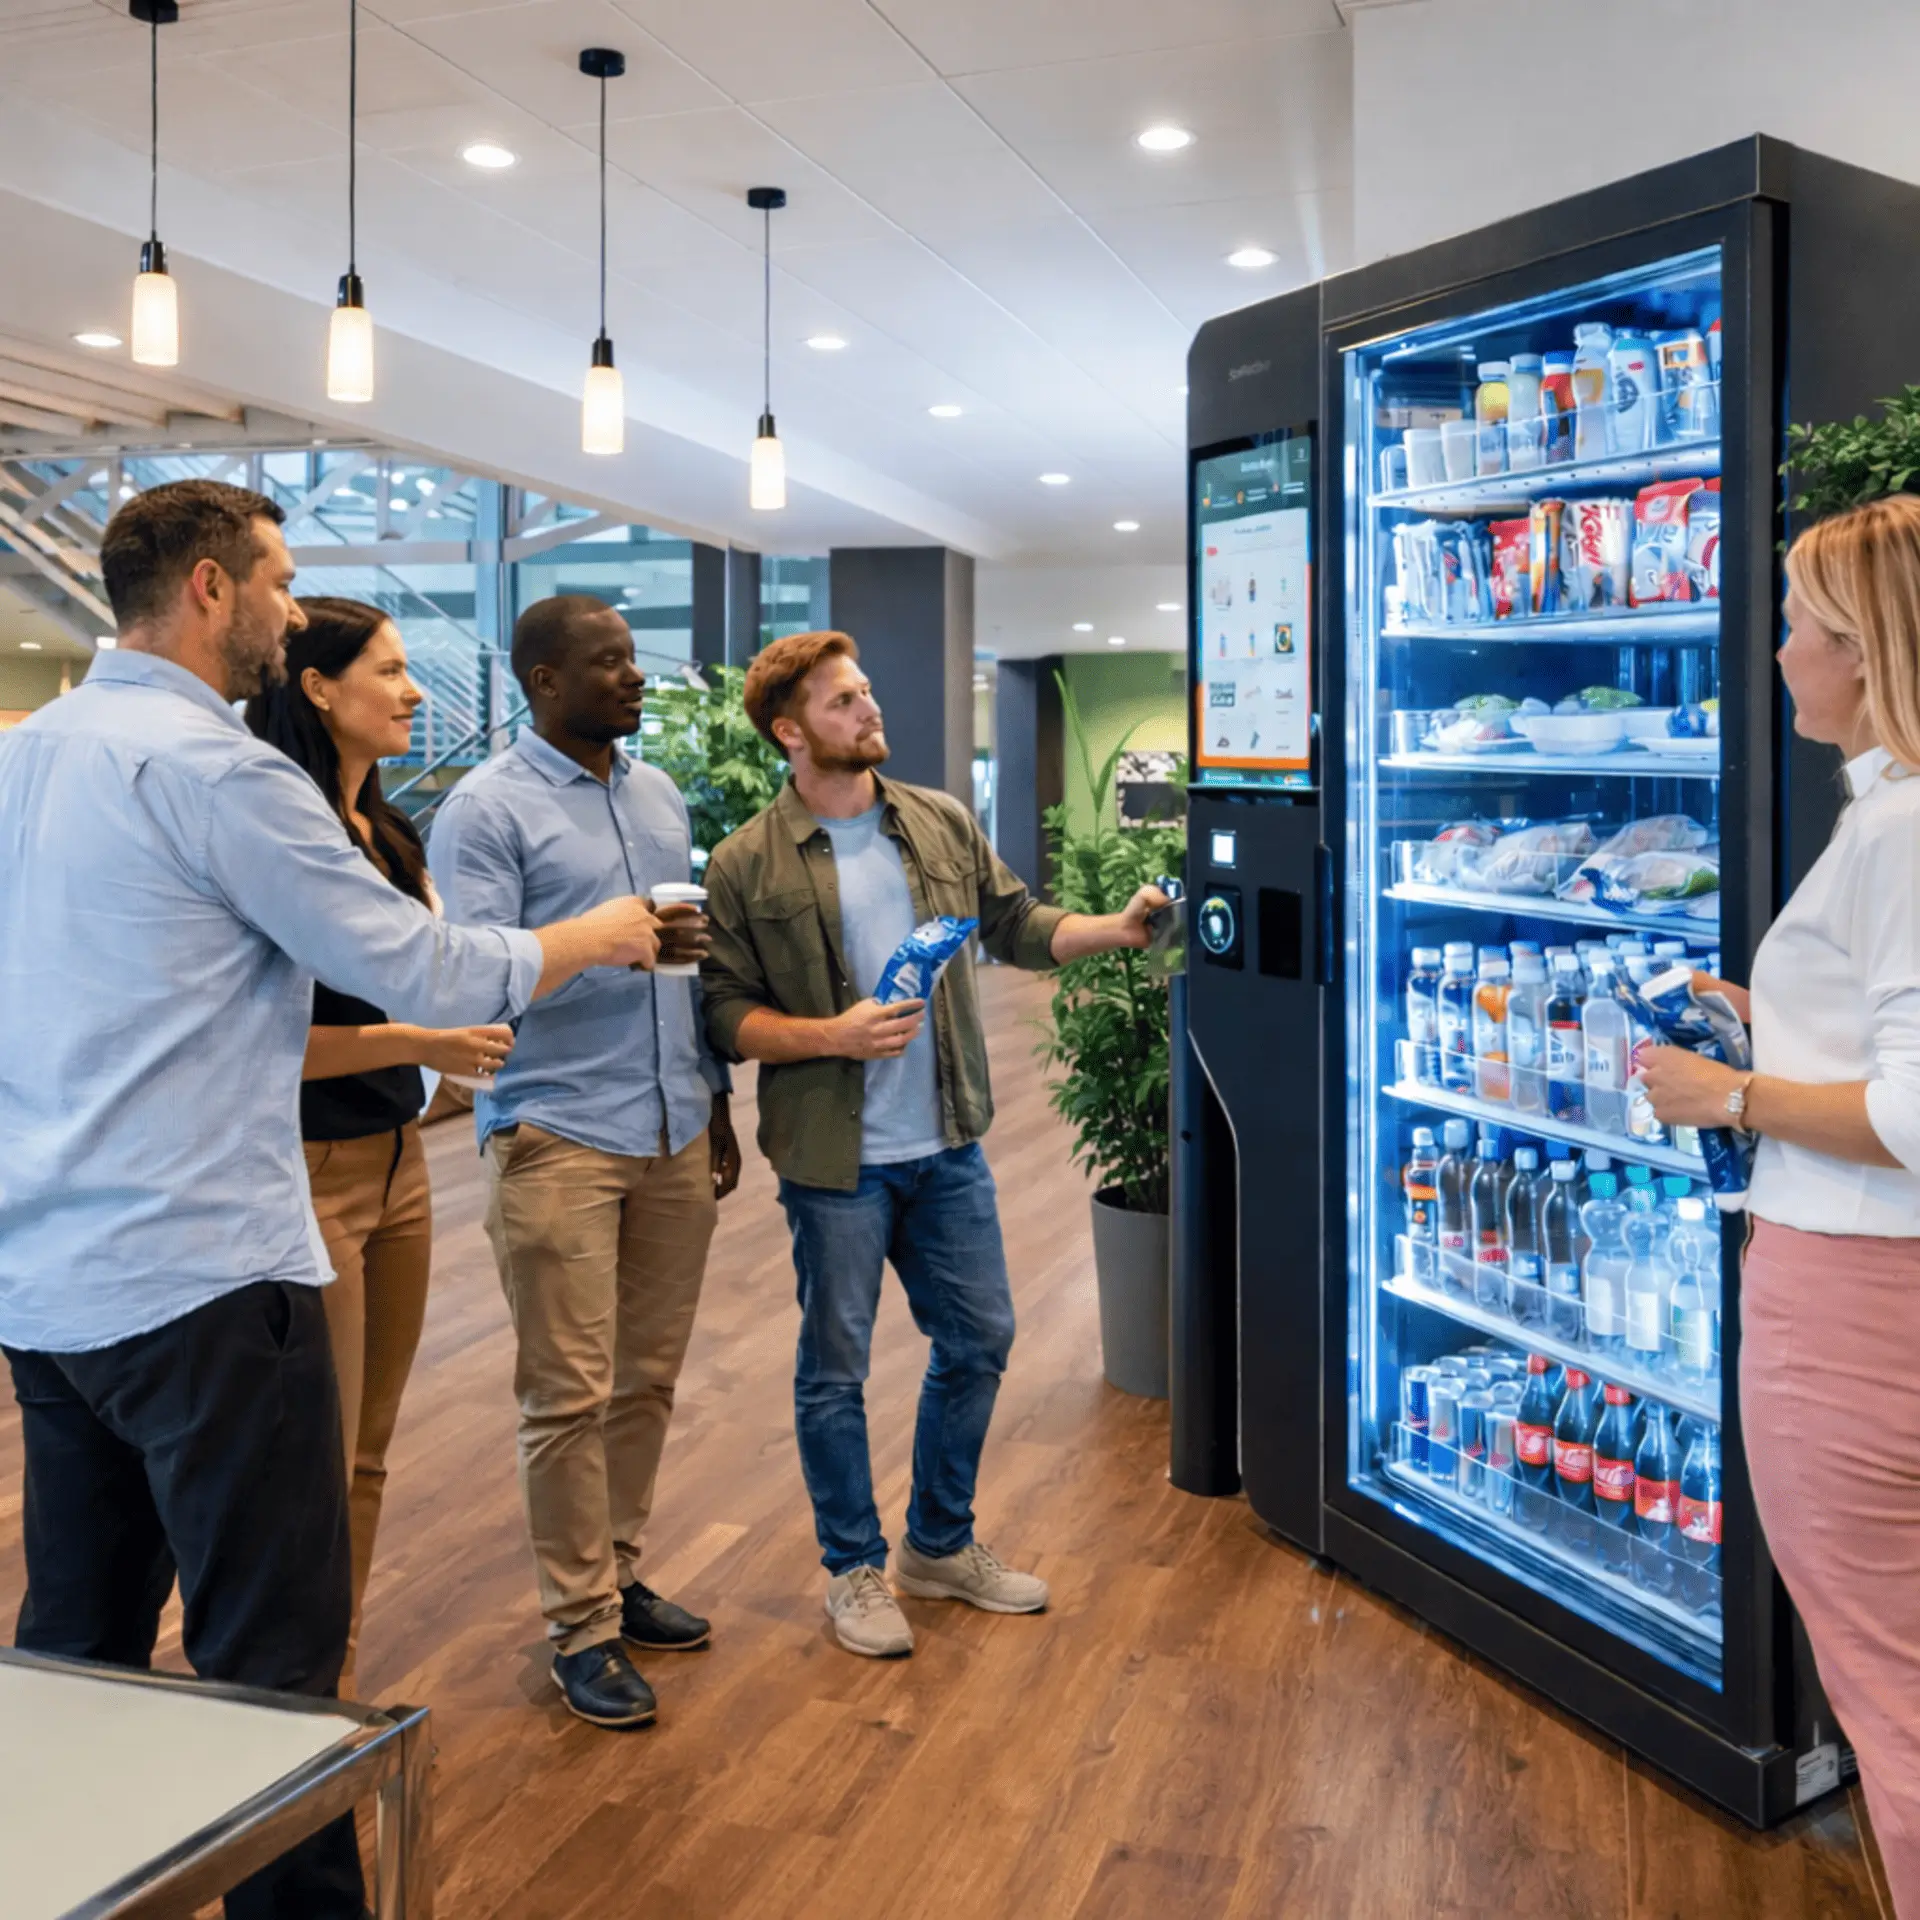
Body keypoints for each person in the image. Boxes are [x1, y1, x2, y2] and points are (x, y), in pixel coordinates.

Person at [0, 482, 663, 1920]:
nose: (297, 607)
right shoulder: (226, 774)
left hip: (47, 1286)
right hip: (207, 1285)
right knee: (272, 1677)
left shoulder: (27, 753)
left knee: (73, 1651)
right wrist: (582, 939)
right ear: (212, 592)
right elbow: (413, 969)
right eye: (283, 580)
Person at [700, 630, 1167, 1659]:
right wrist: (832, 1035)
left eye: (864, 692)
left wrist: (1119, 929)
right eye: (841, 702)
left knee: (980, 1339)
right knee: (836, 1368)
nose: (869, 710)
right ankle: (852, 1568)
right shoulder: (747, 862)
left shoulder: (937, 822)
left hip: (946, 1140)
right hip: (835, 1161)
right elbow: (725, 1012)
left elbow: (1017, 924)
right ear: (789, 732)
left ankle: (938, 1546)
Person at [1639, 494, 1920, 1917]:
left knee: (1894, 1704)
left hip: (1856, 1314)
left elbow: (1917, 1117)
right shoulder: (1894, 821)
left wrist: (1730, 1098)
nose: (1778, 657)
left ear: (1863, 651)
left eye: (1798, 628)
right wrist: (1768, 1023)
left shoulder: (1901, 832)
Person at [430, 595, 740, 1732]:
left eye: (633, 660)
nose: (634, 677)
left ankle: (614, 1568)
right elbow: (472, 980)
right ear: (542, 679)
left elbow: (675, 966)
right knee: (565, 1394)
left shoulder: (655, 797)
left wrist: (710, 1095)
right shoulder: (484, 812)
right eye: (607, 663)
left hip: (668, 1120)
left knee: (647, 1379)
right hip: (556, 1130)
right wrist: (599, 941)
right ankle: (581, 1628)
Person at [245, 595, 515, 1698]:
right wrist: (425, 1035)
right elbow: (268, 1045)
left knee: (365, 1450)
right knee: (311, 1460)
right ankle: (288, 1701)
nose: (414, 692)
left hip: (401, 1160)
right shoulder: (279, 830)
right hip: (310, 1169)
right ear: (317, 686)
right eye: (392, 671)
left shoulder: (385, 831)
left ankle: (328, 1692)